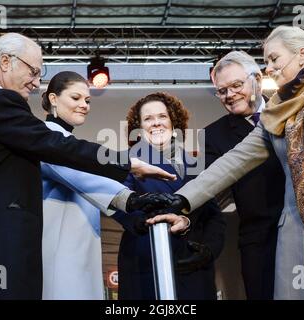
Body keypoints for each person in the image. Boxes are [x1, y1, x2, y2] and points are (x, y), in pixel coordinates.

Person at [0, 33, 177, 300]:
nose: (36, 82)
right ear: (6, 62)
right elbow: (62, 150)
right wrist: (129, 167)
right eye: (33, 71)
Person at [149, 25, 304, 299]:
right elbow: (234, 161)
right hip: (293, 232)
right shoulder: (278, 112)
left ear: (301, 55)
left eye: (274, 59)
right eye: (266, 61)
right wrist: (182, 199)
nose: (269, 68)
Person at [40, 72, 190, 299]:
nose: (84, 105)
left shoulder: (65, 140)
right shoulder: (48, 136)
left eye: (87, 101)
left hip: (78, 240)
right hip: (61, 241)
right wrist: (132, 200)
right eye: (76, 98)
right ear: (53, 99)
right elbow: (82, 176)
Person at [113, 92, 226, 300]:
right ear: (138, 128)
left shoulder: (196, 163)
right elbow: (118, 206)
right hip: (147, 259)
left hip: (192, 264)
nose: (156, 123)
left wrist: (208, 251)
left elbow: (215, 217)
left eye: (162, 116)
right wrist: (142, 221)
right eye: (148, 119)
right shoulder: (127, 161)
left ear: (174, 121)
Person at [205, 51, 285, 299]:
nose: (230, 95)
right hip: (258, 240)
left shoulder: (290, 111)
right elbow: (208, 190)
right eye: (222, 91)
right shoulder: (212, 135)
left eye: (236, 85)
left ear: (258, 80)